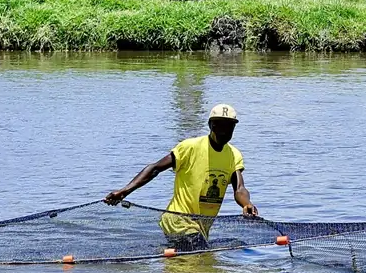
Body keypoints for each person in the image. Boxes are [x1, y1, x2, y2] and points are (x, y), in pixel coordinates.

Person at [104, 104, 259, 246]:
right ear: (211, 125)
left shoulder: (233, 155)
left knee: (189, 264)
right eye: (220, 125)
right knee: (200, 257)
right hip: (178, 220)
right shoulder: (190, 147)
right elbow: (155, 168)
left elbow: (239, 188)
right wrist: (125, 191)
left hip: (201, 226)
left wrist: (246, 204)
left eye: (230, 126)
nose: (225, 130)